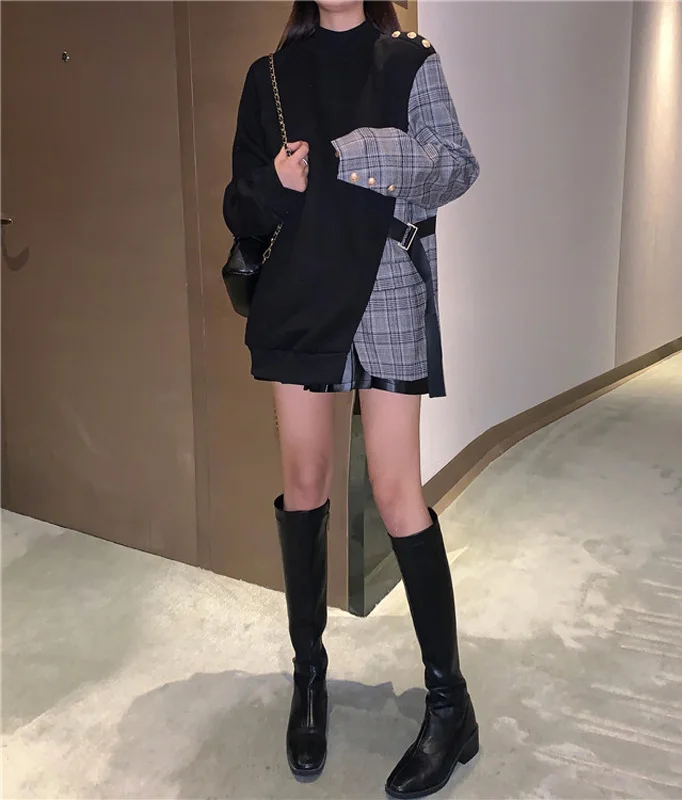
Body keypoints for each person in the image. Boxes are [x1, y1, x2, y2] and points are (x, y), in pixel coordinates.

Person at [222, 1, 480, 797]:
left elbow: (455, 167)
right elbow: (239, 206)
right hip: (299, 294)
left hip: (386, 286)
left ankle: (450, 706)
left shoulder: (408, 60)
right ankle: (310, 680)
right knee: (304, 482)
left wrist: (366, 151)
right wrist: (278, 183)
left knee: (398, 493)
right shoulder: (269, 76)